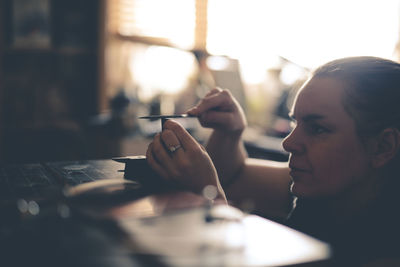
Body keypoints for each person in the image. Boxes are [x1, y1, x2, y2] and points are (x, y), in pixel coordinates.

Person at [146, 56, 400, 266]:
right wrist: (230, 134)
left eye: (318, 129)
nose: (288, 143)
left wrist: (210, 203)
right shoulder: (325, 190)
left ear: (382, 147)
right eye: (294, 122)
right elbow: (235, 177)